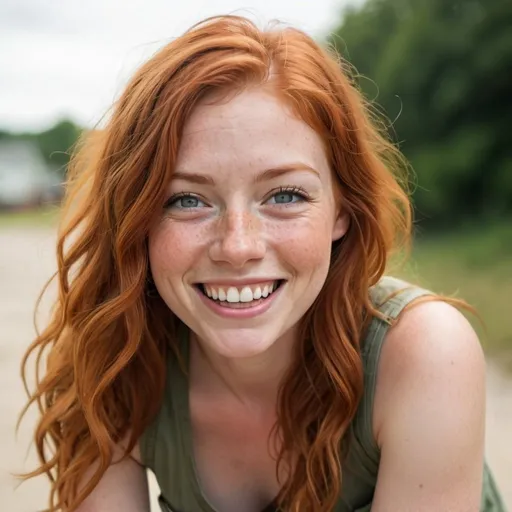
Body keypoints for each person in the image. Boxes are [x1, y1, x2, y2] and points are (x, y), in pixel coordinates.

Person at [19, 15, 505, 512]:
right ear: (136, 218)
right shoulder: (115, 353)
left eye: (285, 195)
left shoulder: (423, 354)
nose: (237, 246)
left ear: (342, 209)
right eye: (187, 200)